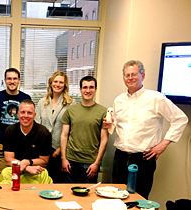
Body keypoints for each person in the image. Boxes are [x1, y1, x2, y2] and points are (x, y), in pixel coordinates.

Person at [108, 60, 188, 199]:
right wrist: (109, 125)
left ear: (142, 76)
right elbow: (117, 126)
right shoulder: (118, 100)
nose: (130, 78)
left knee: (139, 200)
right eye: (127, 75)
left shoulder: (156, 98)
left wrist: (163, 144)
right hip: (120, 158)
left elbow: (180, 119)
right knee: (116, 199)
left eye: (134, 74)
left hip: (143, 159)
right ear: (123, 78)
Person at [0, 68, 31, 182]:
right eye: (9, 78)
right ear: (5, 80)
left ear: (19, 80)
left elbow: (30, 121)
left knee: (18, 178)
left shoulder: (25, 98)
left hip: (19, 145)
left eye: (15, 78)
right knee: (2, 179)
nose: (12, 81)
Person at [60, 76, 108, 183]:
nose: (88, 90)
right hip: (70, 161)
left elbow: (104, 139)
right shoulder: (71, 110)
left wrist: (97, 163)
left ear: (95, 89)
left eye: (91, 87)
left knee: (88, 196)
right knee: (68, 194)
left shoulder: (103, 112)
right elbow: (64, 135)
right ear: (80, 89)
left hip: (90, 162)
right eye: (85, 87)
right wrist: (63, 159)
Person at [0, 99, 53, 184]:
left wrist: (28, 162)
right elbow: (8, 160)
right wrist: (25, 167)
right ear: (18, 114)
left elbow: (44, 161)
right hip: (15, 169)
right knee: (5, 172)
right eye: (23, 112)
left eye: (29, 113)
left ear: (34, 115)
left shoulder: (43, 133)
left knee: (44, 175)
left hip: (36, 170)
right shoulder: (10, 131)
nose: (26, 116)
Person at [35, 71, 74, 183]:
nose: (58, 84)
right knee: (42, 182)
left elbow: (72, 130)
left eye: (61, 82)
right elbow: (37, 126)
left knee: (57, 183)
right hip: (42, 150)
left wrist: (60, 150)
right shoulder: (42, 102)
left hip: (60, 150)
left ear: (65, 85)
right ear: (51, 83)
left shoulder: (70, 103)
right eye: (55, 81)